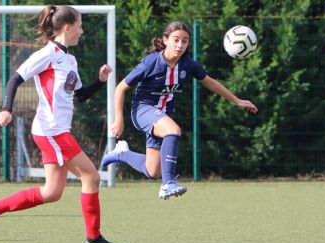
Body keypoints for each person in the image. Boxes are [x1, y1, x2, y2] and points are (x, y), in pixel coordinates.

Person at [0, 5, 125, 243]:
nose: (81, 30)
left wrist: (99, 81)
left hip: (54, 131)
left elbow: (79, 95)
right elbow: (15, 78)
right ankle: (94, 240)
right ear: (68, 27)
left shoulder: (69, 59)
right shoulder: (47, 54)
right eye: (79, 26)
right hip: (52, 130)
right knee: (92, 177)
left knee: (52, 192)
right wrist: (6, 109)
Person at [102, 21, 258, 200]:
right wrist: (119, 119)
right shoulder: (151, 62)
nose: (180, 45)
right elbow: (121, 87)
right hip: (143, 110)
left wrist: (237, 100)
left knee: (152, 170)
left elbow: (209, 81)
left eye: (184, 41)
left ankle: (122, 154)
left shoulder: (187, 64)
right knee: (173, 130)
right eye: (176, 40)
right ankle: (167, 185)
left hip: (162, 115)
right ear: (165, 40)